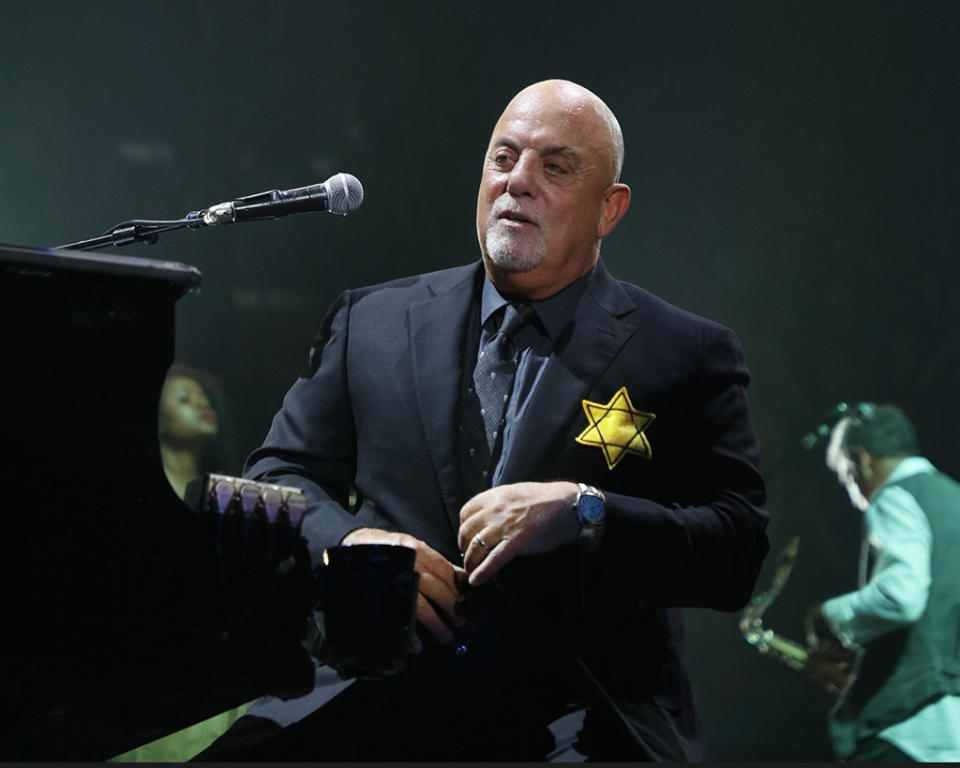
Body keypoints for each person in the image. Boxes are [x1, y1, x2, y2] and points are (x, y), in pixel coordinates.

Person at [198, 78, 768, 761]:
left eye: (554, 167)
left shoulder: (684, 352)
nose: (517, 182)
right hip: (374, 685)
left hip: (579, 712)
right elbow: (278, 473)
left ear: (609, 209)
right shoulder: (371, 321)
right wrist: (350, 546)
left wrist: (587, 513)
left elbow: (735, 552)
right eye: (503, 159)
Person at [806, 403, 960, 762]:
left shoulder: (895, 496)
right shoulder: (954, 499)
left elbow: (902, 597)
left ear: (862, 460)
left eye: (845, 476)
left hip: (906, 735)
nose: (853, 493)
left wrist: (828, 616)